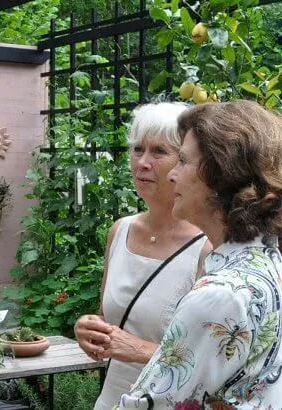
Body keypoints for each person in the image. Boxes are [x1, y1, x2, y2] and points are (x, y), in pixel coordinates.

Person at [118, 100, 282, 409]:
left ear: (219, 177)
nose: (172, 175)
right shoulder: (266, 260)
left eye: (182, 161)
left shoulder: (221, 294)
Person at [74, 102, 211, 410]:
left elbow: (208, 361)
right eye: (138, 149)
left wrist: (137, 349)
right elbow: (109, 321)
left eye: (159, 152)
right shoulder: (120, 231)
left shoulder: (207, 247)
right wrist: (89, 328)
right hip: (112, 401)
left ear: (186, 162)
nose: (142, 162)